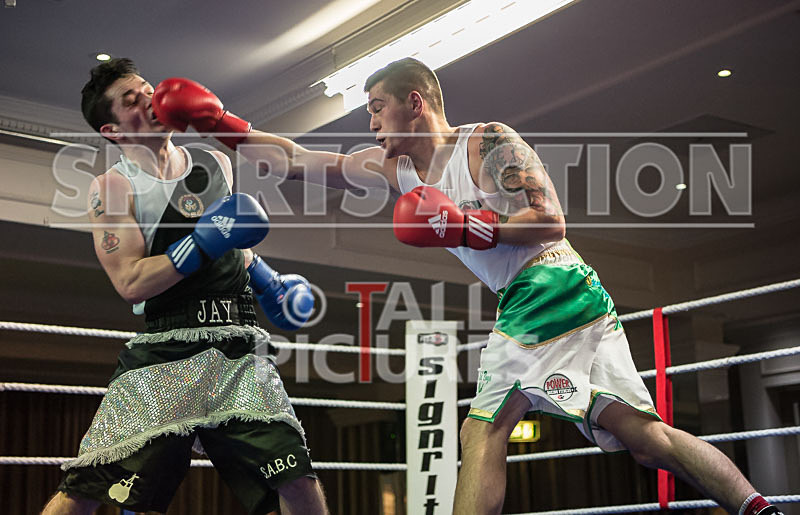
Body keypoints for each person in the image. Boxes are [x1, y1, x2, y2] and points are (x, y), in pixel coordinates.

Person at [150, 58, 783, 515]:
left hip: (548, 283)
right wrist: (218, 123)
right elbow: (295, 160)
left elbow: (550, 219)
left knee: (482, 429)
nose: (370, 123)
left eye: (376, 107)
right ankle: (756, 506)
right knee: (648, 443)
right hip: (564, 298)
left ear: (415, 102)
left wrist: (465, 225)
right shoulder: (396, 170)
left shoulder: (484, 142)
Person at [43, 58, 327, 515]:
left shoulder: (214, 162)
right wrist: (199, 241)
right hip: (166, 354)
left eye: (148, 89)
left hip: (237, 350)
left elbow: (230, 241)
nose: (149, 100)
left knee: (297, 481)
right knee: (88, 490)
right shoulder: (113, 187)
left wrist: (270, 283)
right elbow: (130, 281)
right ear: (112, 131)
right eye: (131, 100)